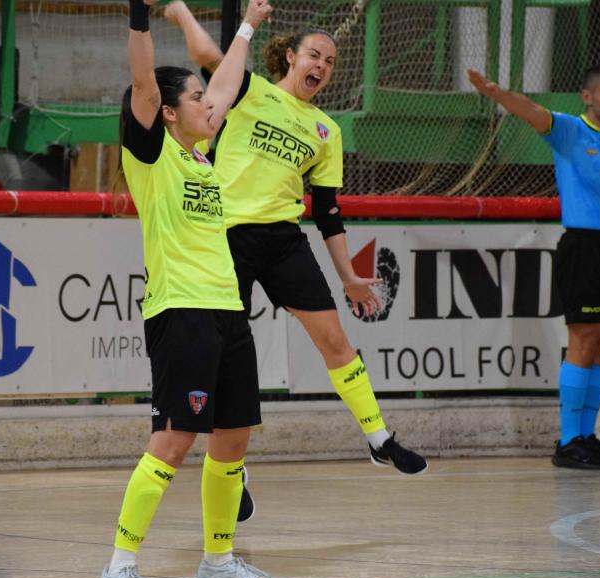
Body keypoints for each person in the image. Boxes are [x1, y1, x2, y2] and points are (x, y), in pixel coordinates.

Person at [163, 2, 428, 510]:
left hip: (283, 239)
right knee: (225, 359)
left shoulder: (327, 130)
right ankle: (231, 473)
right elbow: (209, 55)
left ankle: (379, 440)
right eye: (314, 56)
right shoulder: (250, 90)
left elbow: (327, 212)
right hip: (226, 238)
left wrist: (349, 276)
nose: (321, 66)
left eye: (330, 62)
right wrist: (180, 13)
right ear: (290, 56)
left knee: (334, 339)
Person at [96, 0, 278, 578]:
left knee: (233, 441)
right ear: (168, 112)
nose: (210, 104)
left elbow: (226, 81)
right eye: (196, 98)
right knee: (173, 442)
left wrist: (248, 26)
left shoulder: (202, 156)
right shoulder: (152, 156)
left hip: (228, 312)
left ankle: (218, 565)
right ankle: (119, 568)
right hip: (182, 313)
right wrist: (139, 15)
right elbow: (144, 82)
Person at [466, 64, 600, 470]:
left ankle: (588, 436)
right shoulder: (570, 131)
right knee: (583, 339)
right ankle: (569, 441)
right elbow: (531, 110)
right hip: (583, 248)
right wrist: (496, 92)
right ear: (588, 97)